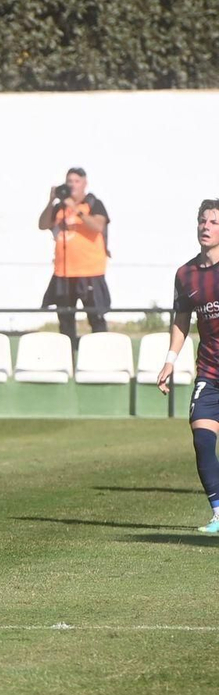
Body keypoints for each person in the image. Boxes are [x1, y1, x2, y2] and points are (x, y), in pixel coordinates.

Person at [159, 200, 219, 534]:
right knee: (202, 440)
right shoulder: (186, 274)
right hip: (210, 373)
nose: (206, 226)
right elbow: (182, 320)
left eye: (213, 221)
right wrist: (170, 360)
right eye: (202, 221)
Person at [39, 167, 110, 345]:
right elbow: (42, 224)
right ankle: (68, 359)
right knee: (65, 320)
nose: (72, 185)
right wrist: (51, 202)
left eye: (76, 181)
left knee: (96, 318)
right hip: (64, 273)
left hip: (90, 272)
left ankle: (100, 356)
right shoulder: (59, 207)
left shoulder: (93, 203)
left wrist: (76, 209)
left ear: (84, 183)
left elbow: (98, 226)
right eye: (69, 181)